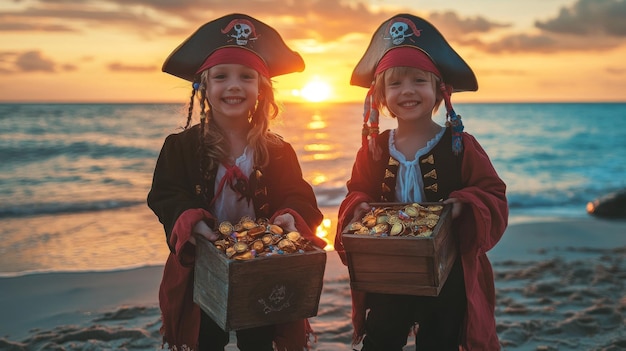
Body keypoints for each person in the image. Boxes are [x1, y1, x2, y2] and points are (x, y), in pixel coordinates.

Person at [147, 13, 326, 351]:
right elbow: (165, 194)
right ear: (203, 86)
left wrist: (289, 216)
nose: (233, 85)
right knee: (206, 339)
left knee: (258, 338)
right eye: (221, 77)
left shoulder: (278, 150)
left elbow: (299, 194)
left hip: (261, 268)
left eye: (246, 77)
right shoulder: (180, 147)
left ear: (261, 89)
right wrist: (190, 221)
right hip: (203, 264)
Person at [334, 14, 509, 350]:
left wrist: (465, 202)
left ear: (440, 90)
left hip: (448, 271)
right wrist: (360, 206)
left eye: (418, 81)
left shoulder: (461, 145)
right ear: (380, 94)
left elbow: (492, 193)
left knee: (440, 340)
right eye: (395, 84)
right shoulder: (374, 149)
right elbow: (356, 191)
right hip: (389, 270)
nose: (408, 91)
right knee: (381, 337)